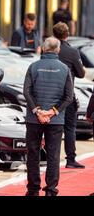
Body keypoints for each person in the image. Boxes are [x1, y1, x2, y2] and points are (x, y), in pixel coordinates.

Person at [23, 36, 73, 196]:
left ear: (43, 49)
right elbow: (68, 97)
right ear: (58, 50)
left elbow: (27, 91)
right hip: (55, 121)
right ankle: (51, 190)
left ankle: (33, 190)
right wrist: (52, 112)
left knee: (33, 154)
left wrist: (37, 111)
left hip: (33, 119)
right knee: (53, 156)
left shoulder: (33, 66)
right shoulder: (65, 69)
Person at [53, 22, 86, 169]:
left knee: (53, 129)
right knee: (70, 128)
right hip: (68, 95)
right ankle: (70, 159)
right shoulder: (73, 52)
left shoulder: (49, 50)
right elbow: (81, 73)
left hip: (51, 95)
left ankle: (50, 157)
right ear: (67, 34)